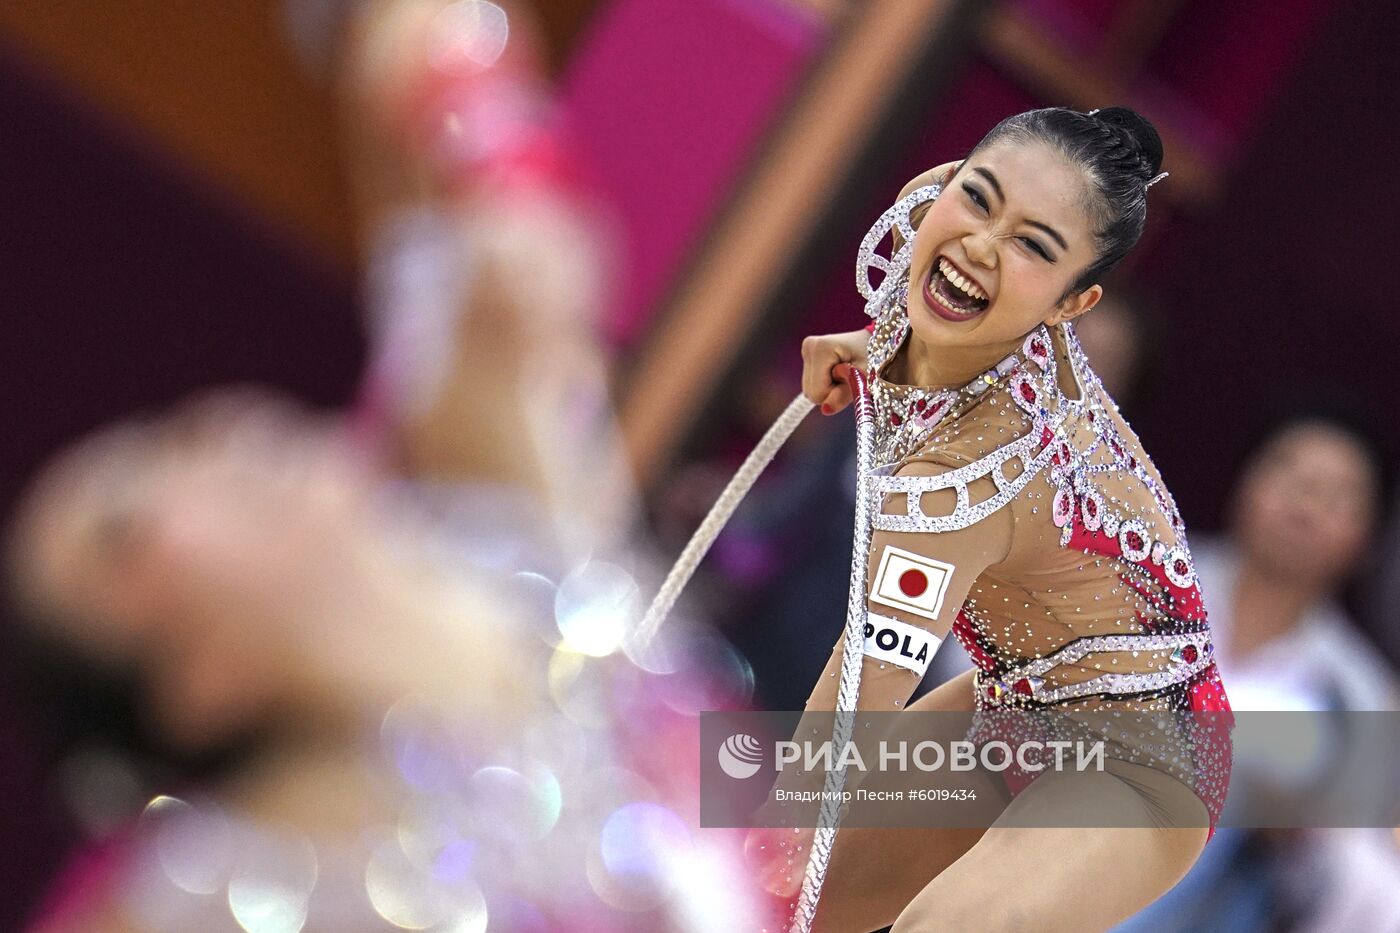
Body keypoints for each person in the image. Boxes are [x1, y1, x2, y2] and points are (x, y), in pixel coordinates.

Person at [759, 107, 1234, 932]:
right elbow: (934, 323)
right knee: (776, 896)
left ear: (1072, 301)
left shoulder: (965, 483)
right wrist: (878, 354)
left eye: (1033, 247)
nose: (981, 244)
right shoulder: (936, 238)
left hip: (1143, 760)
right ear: (946, 180)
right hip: (1009, 710)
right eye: (979, 199)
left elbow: (857, 702)